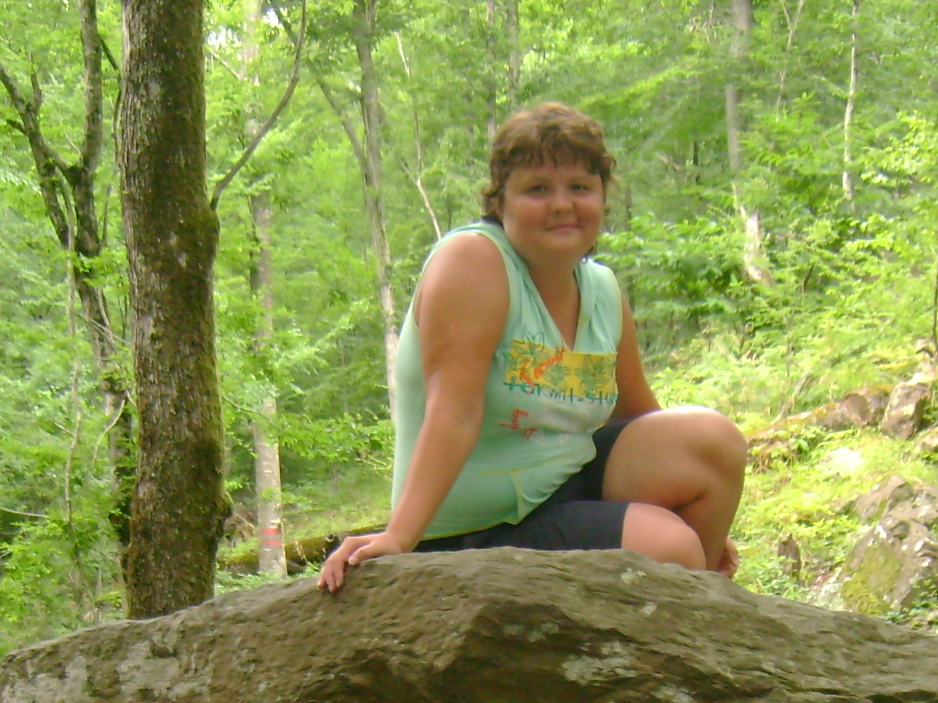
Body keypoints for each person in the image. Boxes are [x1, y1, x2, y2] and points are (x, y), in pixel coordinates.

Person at [317, 102, 746, 593]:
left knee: (713, 441)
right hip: (476, 528)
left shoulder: (602, 289)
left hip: (567, 483)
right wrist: (398, 537)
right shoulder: (475, 261)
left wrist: (706, 514)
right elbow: (452, 410)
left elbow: (639, 422)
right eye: (538, 189)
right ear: (500, 202)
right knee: (672, 548)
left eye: (580, 188)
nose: (562, 204)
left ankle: (699, 620)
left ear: (603, 198)